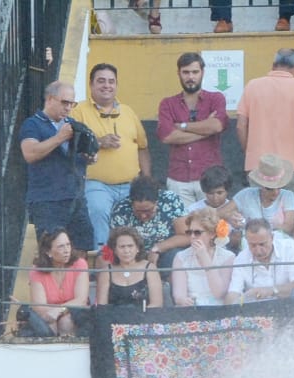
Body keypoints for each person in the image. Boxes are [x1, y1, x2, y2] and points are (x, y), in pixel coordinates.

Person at [72, 62, 148, 247]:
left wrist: (146, 179)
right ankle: (103, 261)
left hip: (131, 183)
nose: (107, 85)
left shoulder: (128, 112)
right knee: (98, 210)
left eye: (111, 81)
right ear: (91, 85)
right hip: (96, 183)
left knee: (139, 219)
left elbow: (142, 147)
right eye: (101, 81)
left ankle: (133, 264)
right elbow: (71, 146)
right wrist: (98, 142)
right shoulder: (78, 111)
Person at [20, 80, 95, 252]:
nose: (68, 107)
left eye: (72, 103)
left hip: (75, 197)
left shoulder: (73, 124)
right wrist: (60, 137)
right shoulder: (32, 124)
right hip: (48, 200)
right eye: (65, 102)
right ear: (50, 99)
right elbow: (30, 154)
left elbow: (84, 153)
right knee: (51, 251)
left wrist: (89, 156)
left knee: (82, 248)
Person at [236, 48, 294, 190]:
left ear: (273, 65)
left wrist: (250, 153)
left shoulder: (252, 86)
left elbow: (240, 126)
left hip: (258, 167)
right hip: (292, 168)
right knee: (288, 211)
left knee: (257, 210)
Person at [157, 51, 227, 203]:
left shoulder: (216, 98)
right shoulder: (167, 104)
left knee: (212, 225)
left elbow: (216, 126)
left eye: (195, 72)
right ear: (178, 73)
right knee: (183, 225)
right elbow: (168, 136)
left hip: (211, 178)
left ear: (202, 72)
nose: (190, 77)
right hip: (179, 178)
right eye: (186, 72)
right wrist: (204, 130)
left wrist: (182, 126)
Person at [22, 226, 88, 336]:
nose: (67, 250)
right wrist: (55, 313)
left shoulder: (80, 263)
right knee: (49, 322)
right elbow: (39, 307)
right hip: (48, 315)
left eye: (68, 245)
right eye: (61, 247)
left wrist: (59, 310)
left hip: (77, 314)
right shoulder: (37, 270)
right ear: (49, 252)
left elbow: (81, 300)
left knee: (65, 322)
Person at [109, 174, 190, 264]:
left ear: (156, 202)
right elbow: (115, 243)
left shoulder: (171, 200)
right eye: (138, 211)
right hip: (131, 255)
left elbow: (186, 236)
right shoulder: (121, 209)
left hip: (165, 252)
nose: (143, 216)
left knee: (175, 255)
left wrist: (158, 248)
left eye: (148, 211)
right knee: (104, 257)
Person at [228, 217, 294, 302]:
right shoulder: (241, 259)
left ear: (272, 237)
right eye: (253, 245)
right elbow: (233, 293)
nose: (258, 251)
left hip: (288, 306)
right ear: (246, 240)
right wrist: (233, 303)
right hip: (256, 311)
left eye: (262, 244)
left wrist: (270, 291)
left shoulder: (289, 248)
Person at [169, 208, 233, 306]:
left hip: (219, 309)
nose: (192, 236)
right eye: (189, 232)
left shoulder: (228, 257)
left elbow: (219, 293)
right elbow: (178, 295)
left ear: (212, 234)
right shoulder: (180, 257)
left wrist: (204, 258)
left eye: (197, 232)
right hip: (191, 309)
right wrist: (183, 300)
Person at [95, 224, 161, 308]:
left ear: (137, 248)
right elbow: (102, 306)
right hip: (114, 319)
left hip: (144, 318)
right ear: (114, 250)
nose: (126, 251)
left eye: (130, 246)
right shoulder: (106, 272)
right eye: (122, 247)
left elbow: (156, 304)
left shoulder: (150, 268)